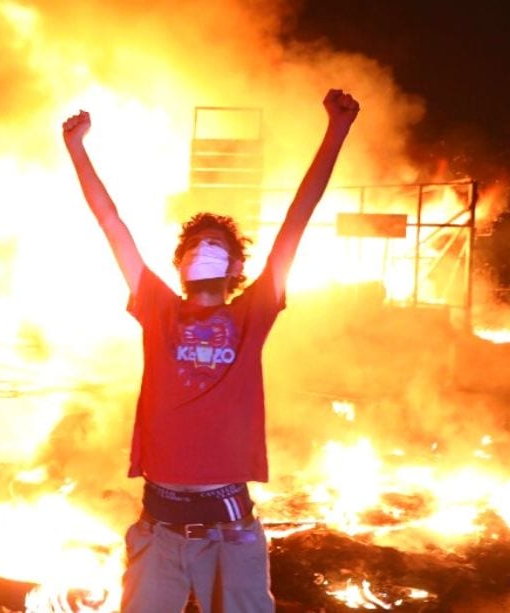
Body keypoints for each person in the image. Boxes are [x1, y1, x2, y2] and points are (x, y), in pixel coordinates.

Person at [62, 89, 359, 612]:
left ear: (236, 271)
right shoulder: (156, 307)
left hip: (231, 531)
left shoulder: (253, 311)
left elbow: (297, 219)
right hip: (159, 532)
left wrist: (337, 130)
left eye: (216, 244)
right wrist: (77, 149)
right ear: (178, 266)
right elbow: (112, 225)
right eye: (194, 244)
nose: (204, 248)